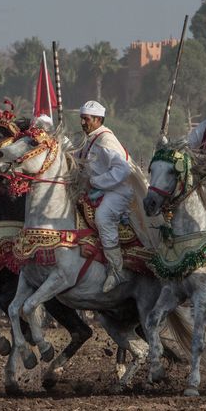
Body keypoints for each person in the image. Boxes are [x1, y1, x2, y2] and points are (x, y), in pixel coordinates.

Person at [77, 100, 134, 292]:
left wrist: (96, 182)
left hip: (119, 189)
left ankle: (117, 270)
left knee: (103, 217)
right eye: (82, 119)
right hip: (101, 189)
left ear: (98, 119)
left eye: (86, 119)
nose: (83, 123)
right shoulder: (91, 139)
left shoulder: (105, 140)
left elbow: (123, 170)